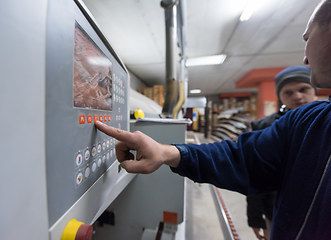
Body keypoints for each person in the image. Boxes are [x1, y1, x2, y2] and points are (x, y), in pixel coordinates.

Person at [95, 1, 331, 239]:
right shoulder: (308, 122)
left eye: (307, 38)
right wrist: (167, 152)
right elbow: (242, 159)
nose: (305, 58)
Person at [246, 66, 316, 240]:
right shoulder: (265, 128)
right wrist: (255, 215)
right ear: (280, 96)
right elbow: (257, 173)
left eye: (303, 89)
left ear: (314, 89)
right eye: (288, 92)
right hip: (277, 212)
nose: (297, 96)